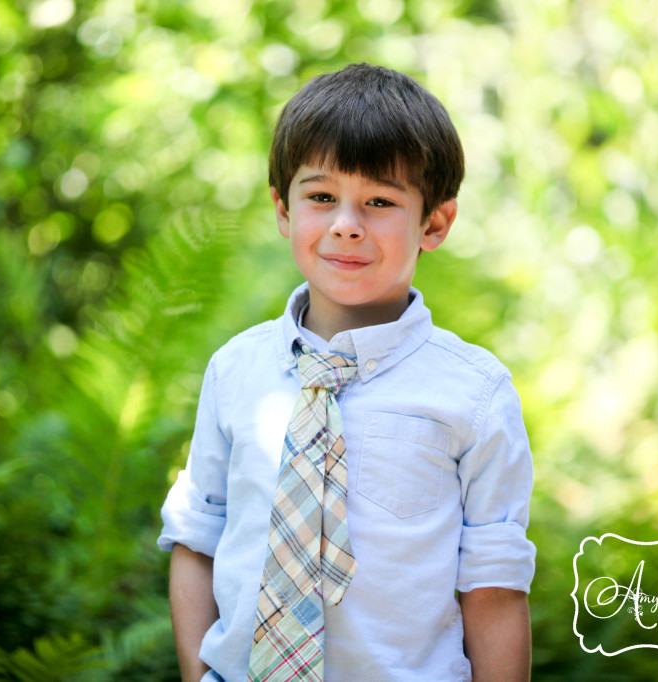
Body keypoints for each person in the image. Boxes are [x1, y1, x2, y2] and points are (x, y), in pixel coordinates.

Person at [158, 62, 535, 682]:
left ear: (434, 222)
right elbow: (198, 536)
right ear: (284, 210)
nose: (346, 223)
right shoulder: (236, 372)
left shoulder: (474, 394)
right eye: (322, 197)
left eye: (380, 201)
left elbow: (494, 586)